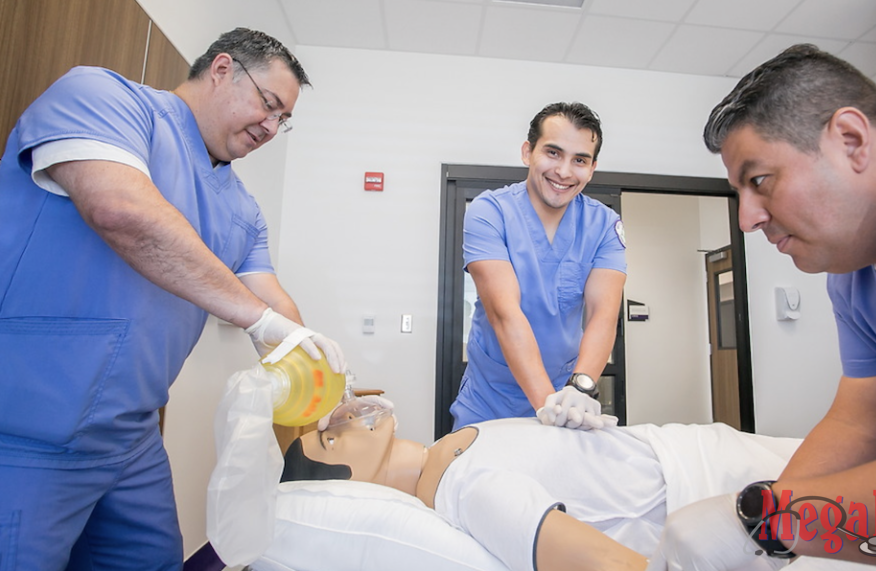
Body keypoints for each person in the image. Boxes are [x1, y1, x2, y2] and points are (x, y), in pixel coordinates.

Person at [645, 44, 876, 570]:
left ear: (851, 140)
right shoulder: (854, 270)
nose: (747, 220)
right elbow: (865, 422)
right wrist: (758, 531)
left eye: (759, 181)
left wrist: (774, 522)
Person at [0, 28, 345, 570]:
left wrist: (327, 392)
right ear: (223, 69)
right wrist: (257, 321)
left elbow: (272, 302)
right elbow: (121, 212)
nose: (272, 127)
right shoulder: (104, 100)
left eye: (283, 120)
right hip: (23, 425)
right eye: (269, 105)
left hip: (131, 437)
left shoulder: (243, 209)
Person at [281, 396, 799, 571]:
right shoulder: (461, 487)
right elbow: (611, 564)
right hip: (719, 492)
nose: (338, 424)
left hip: (697, 450)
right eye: (329, 440)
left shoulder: (450, 450)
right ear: (354, 483)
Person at [450, 101, 628, 430]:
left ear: (592, 169)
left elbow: (603, 316)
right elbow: (505, 315)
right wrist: (550, 409)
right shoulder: (490, 213)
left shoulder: (604, 224)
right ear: (527, 152)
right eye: (553, 153)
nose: (563, 171)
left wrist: (579, 389)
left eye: (579, 160)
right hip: (490, 399)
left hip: (566, 393)